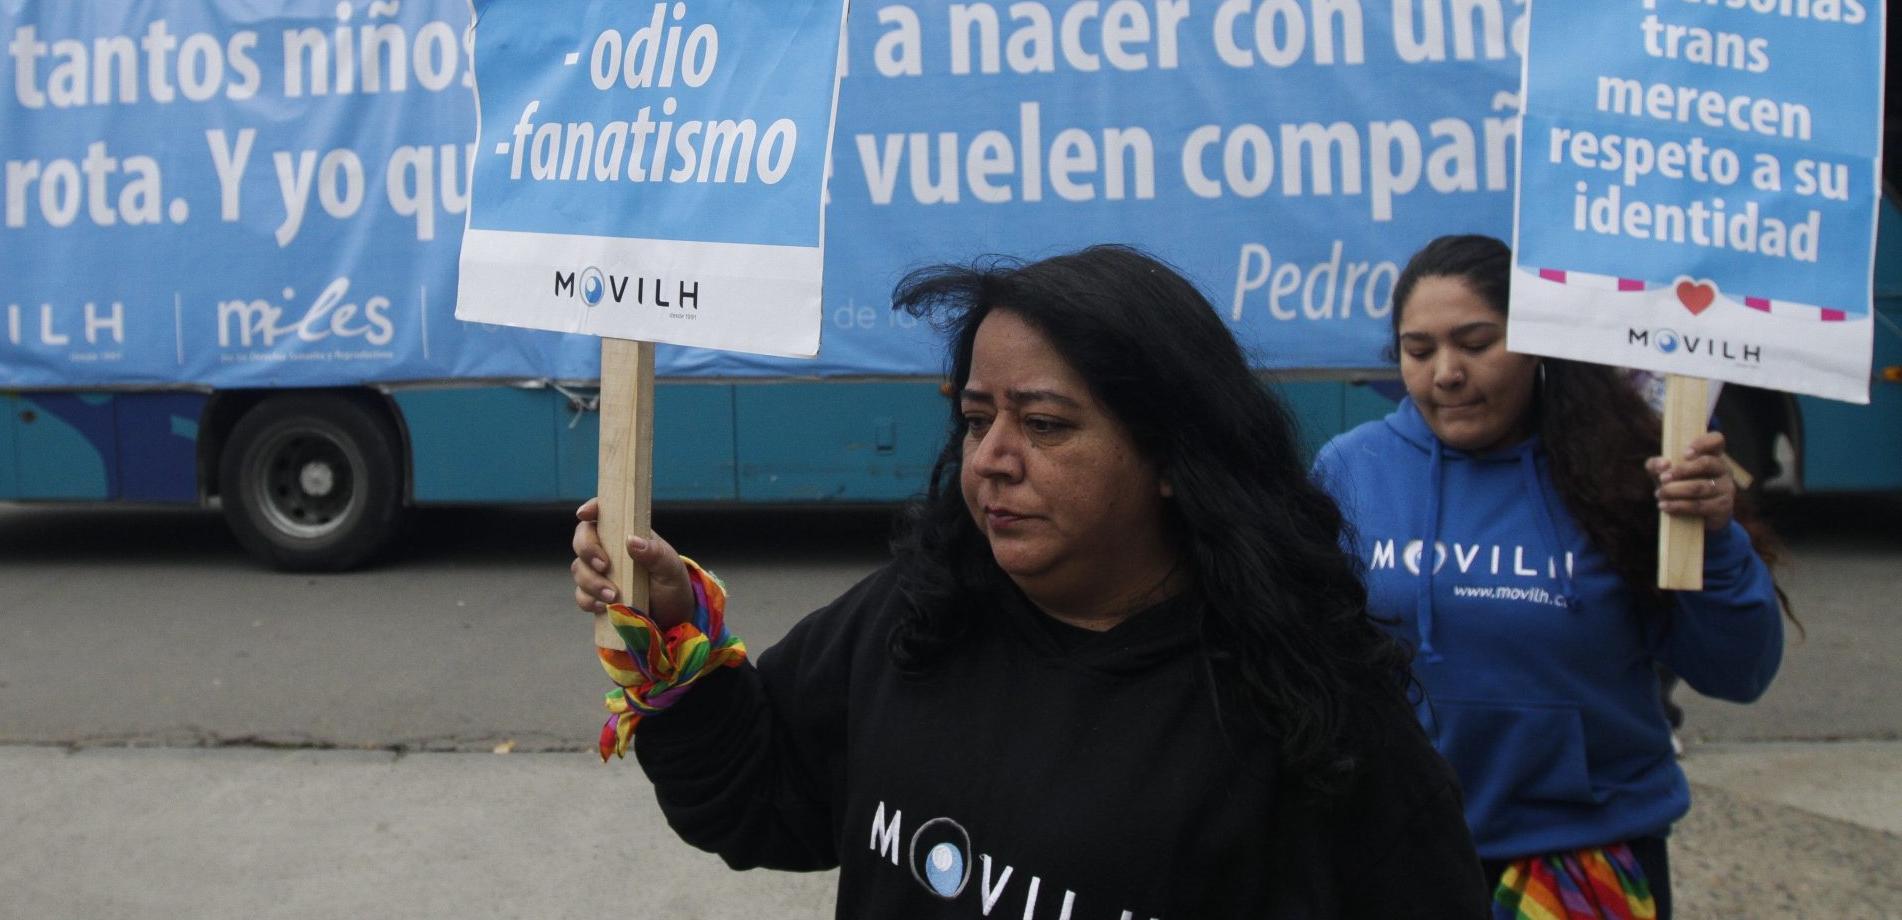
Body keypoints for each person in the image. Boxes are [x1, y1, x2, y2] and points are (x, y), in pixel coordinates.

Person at [571, 246, 1489, 918]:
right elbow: (755, 801)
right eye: (977, 420)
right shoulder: (917, 615)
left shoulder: (1309, 711)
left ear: (1172, 451)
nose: (993, 461)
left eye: (1045, 425)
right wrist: (669, 629)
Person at [1313, 235, 1786, 920]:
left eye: (1476, 343)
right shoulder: (1348, 470)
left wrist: (1716, 539)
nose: (1446, 372)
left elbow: (1738, 672)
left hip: (1585, 864)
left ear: (1538, 342)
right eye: (1419, 351)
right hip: (1400, 857)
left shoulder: (1626, 471)